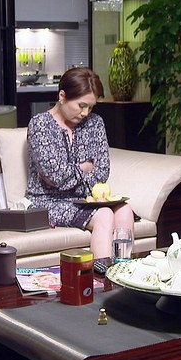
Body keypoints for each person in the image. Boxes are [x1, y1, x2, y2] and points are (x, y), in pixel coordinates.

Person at [26, 67, 134, 259]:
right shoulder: (40, 125)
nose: (85, 113)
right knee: (104, 215)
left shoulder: (95, 123)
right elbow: (54, 176)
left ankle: (123, 271)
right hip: (48, 201)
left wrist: (68, 175)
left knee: (125, 210)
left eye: (91, 107)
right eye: (81, 105)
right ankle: (103, 274)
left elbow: (102, 172)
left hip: (87, 199)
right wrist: (84, 167)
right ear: (62, 96)